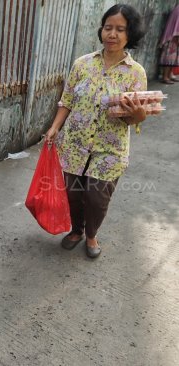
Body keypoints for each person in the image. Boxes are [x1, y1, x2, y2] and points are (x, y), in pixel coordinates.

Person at [45, 4, 148, 258]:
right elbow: (66, 100)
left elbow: (138, 117)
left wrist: (137, 113)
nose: (112, 34)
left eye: (120, 29)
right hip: (74, 143)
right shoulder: (82, 64)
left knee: (96, 199)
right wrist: (54, 127)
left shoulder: (136, 73)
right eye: (108, 27)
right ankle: (76, 230)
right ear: (101, 30)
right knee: (73, 193)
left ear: (129, 34)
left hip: (110, 149)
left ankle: (91, 234)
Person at [159, 5, 179, 84]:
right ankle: (165, 76)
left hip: (175, 37)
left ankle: (170, 75)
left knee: (174, 58)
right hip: (172, 37)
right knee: (169, 58)